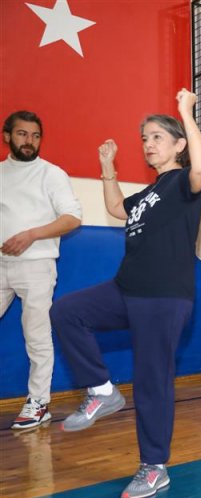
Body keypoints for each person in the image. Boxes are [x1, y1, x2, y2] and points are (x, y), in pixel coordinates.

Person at [49, 89, 201, 498]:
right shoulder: (149, 194)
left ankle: (154, 467)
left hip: (164, 297)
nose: (148, 144)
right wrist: (107, 168)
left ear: (178, 144)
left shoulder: (183, 184)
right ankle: (102, 391)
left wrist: (185, 113)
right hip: (127, 288)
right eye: (144, 138)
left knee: (152, 382)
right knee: (67, 312)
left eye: (157, 137)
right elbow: (119, 208)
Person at [1, 111, 82, 430]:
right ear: (8, 136)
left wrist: (31, 234)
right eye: (22, 134)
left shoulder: (52, 174)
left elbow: (72, 218)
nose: (29, 141)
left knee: (36, 335)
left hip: (36, 265)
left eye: (35, 136)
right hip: (1, 264)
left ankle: (39, 403)